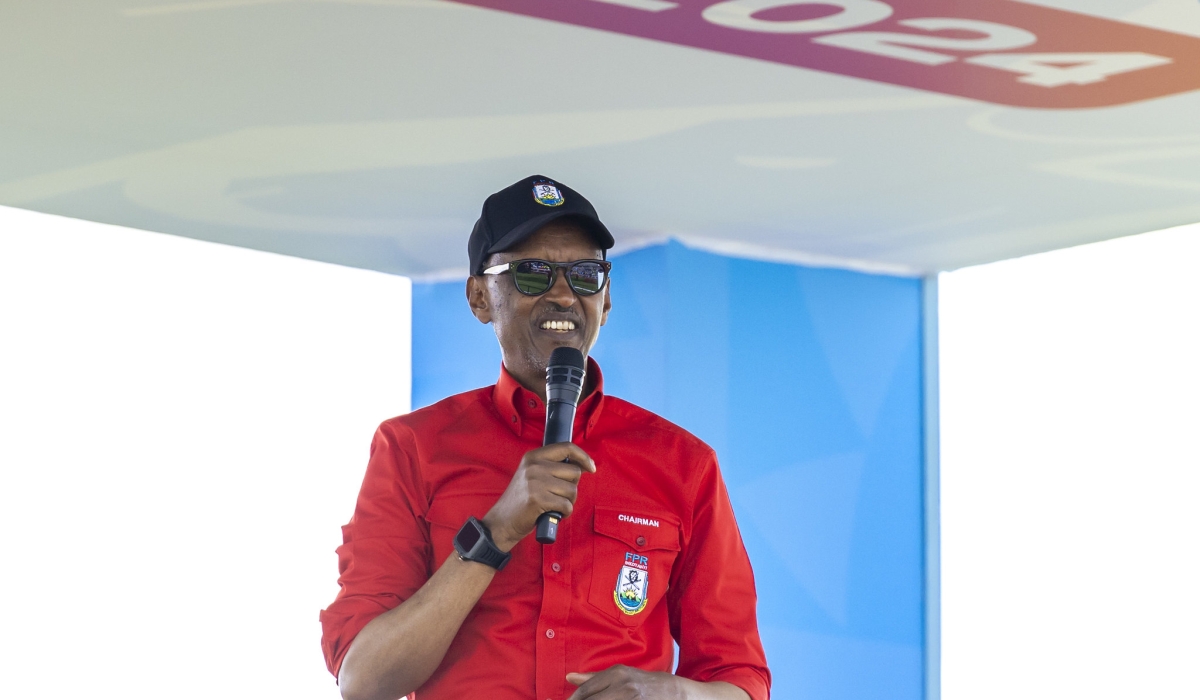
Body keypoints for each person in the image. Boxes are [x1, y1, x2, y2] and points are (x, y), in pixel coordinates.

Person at [320, 176, 770, 700]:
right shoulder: (411, 448)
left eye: (585, 274)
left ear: (606, 301)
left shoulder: (683, 463)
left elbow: (741, 680)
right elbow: (364, 679)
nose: (563, 293)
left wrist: (673, 695)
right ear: (479, 297)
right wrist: (495, 532)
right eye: (532, 274)